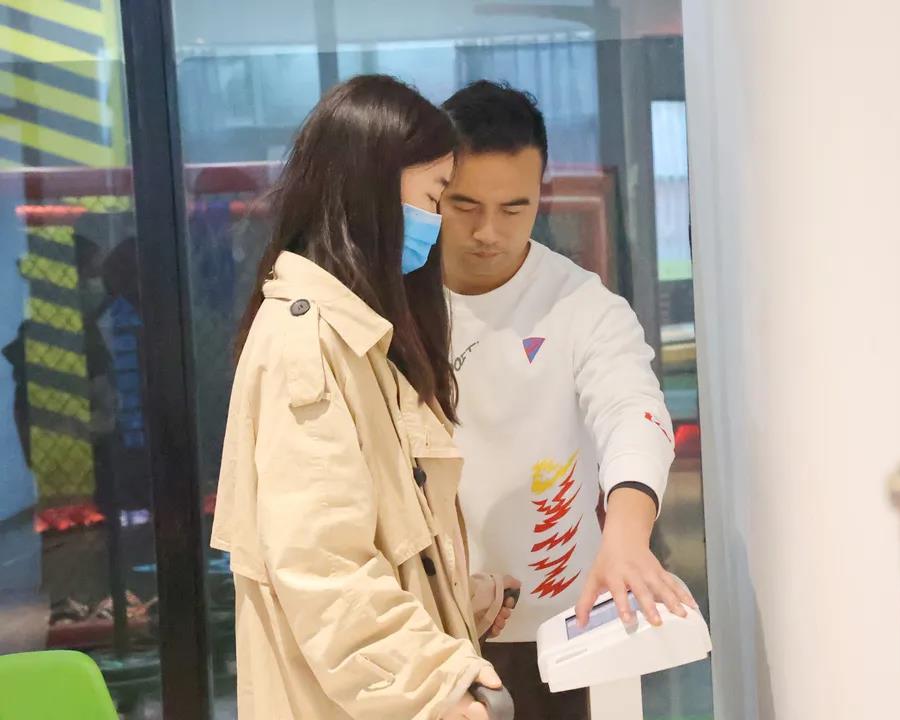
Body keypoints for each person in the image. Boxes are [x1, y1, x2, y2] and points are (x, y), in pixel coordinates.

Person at [210, 75, 512, 720]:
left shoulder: (356, 337)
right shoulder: (308, 342)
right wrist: (438, 684)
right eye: (434, 195)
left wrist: (458, 597)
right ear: (372, 184)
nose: (436, 221)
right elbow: (323, 568)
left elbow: (376, 536)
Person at [441, 80, 696, 719]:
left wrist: (628, 535)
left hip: (558, 629)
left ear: (542, 195)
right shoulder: (391, 302)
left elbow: (633, 413)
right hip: (428, 626)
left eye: (513, 208)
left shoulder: (583, 306)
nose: (487, 231)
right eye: (465, 205)